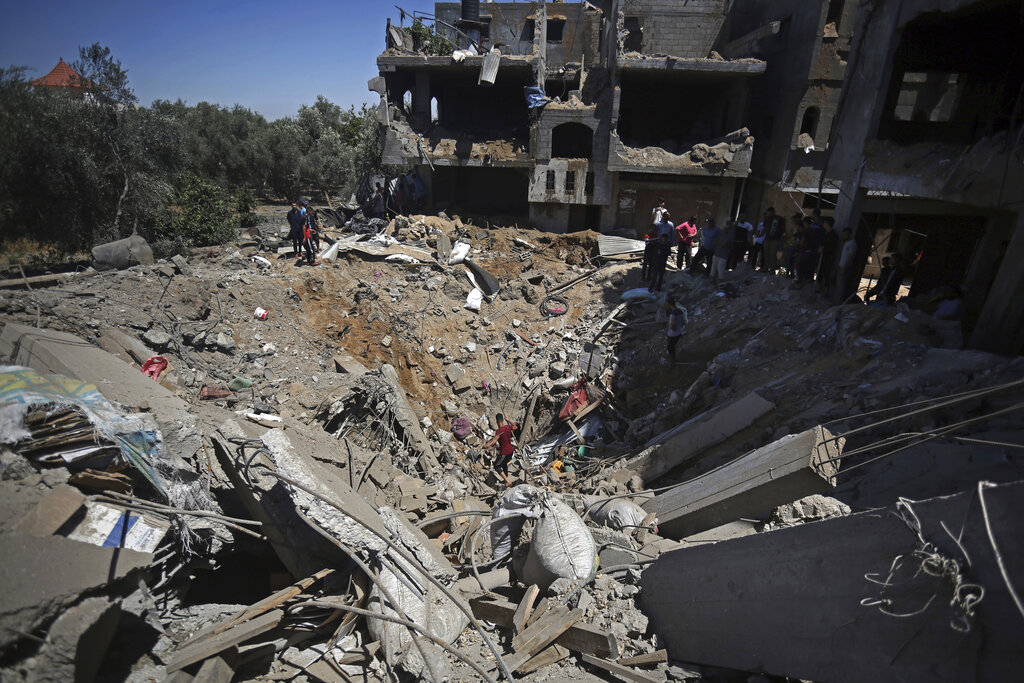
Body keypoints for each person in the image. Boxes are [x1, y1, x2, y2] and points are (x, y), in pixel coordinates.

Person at [484, 413, 518, 486]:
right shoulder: (508, 427)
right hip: (511, 451)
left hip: (505, 452)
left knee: (497, 466)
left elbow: (494, 441)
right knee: (504, 463)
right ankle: (506, 477)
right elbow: (515, 427)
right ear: (503, 420)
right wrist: (509, 420)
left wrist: (487, 446)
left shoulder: (499, 431)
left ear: (497, 421)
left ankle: (508, 481)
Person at [816, 217, 839, 295]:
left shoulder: (833, 235)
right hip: (822, 256)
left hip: (829, 257)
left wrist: (824, 250)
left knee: (827, 273)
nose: (823, 224)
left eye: (825, 223)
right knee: (820, 272)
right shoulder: (825, 233)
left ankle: (826, 290)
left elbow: (832, 247)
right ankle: (818, 288)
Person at [835, 227, 857, 304]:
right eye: (843, 235)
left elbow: (851, 256)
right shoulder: (847, 243)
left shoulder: (852, 243)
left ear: (850, 235)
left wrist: (844, 267)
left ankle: (839, 303)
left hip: (845, 267)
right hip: (842, 266)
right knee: (839, 286)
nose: (843, 236)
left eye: (845, 235)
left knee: (841, 287)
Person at [761, 207, 785, 273]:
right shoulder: (766, 219)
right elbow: (764, 228)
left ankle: (772, 269)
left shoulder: (779, 219)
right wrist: (760, 234)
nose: (768, 214)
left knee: (772, 254)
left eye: (769, 213)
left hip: (775, 239)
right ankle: (766, 268)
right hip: (767, 238)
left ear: (773, 212)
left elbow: (783, 229)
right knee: (766, 254)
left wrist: (781, 237)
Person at [712, 220, 732, 284]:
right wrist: (719, 243)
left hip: (723, 255)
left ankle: (720, 282)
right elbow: (714, 242)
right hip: (717, 253)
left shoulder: (729, 237)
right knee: (714, 267)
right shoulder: (719, 236)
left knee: (720, 268)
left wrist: (719, 243)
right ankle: (712, 281)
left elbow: (724, 243)